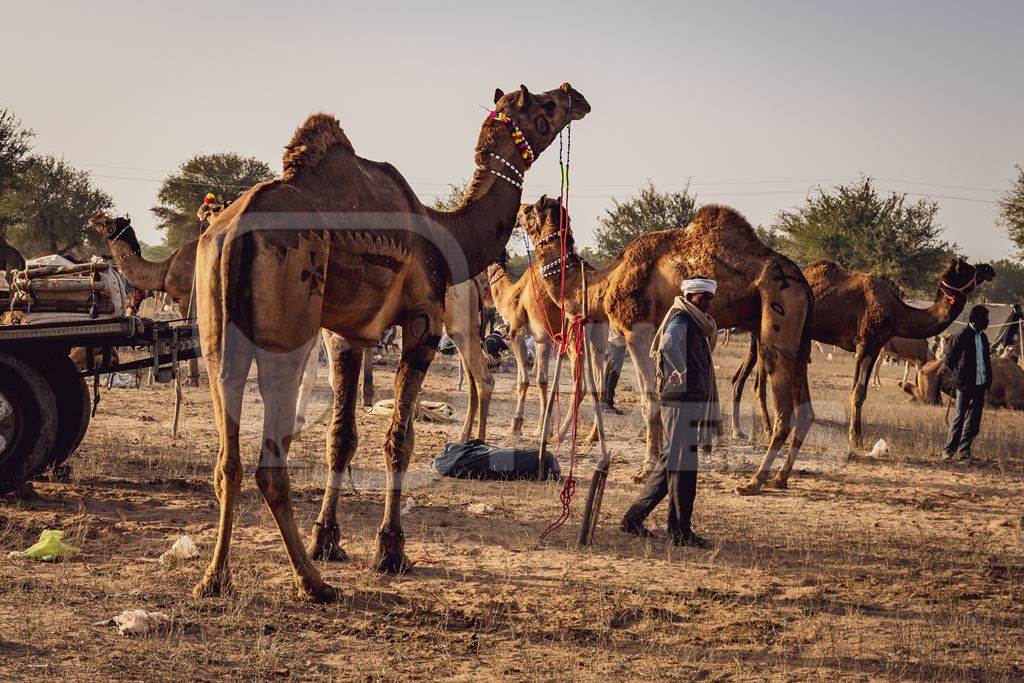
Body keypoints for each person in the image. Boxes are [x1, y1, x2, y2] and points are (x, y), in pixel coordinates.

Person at [620, 277, 718, 547]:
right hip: (680, 401)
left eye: (709, 297)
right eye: (702, 297)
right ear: (689, 295)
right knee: (680, 466)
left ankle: (637, 522)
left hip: (687, 400)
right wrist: (679, 369)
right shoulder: (683, 320)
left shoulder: (695, 321)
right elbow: (668, 344)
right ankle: (677, 531)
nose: (707, 301)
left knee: (674, 464)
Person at [942, 305, 993, 461]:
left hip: (980, 384)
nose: (987, 321)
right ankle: (949, 451)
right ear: (975, 320)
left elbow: (986, 361)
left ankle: (965, 451)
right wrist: (956, 380)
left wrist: (987, 382)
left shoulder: (983, 338)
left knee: (974, 420)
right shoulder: (961, 336)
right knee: (960, 417)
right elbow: (949, 361)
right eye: (984, 318)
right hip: (964, 385)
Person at [601, 327, 628, 414]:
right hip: (618, 342)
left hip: (612, 340)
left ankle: (605, 402)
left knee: (609, 372)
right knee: (614, 373)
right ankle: (607, 403)